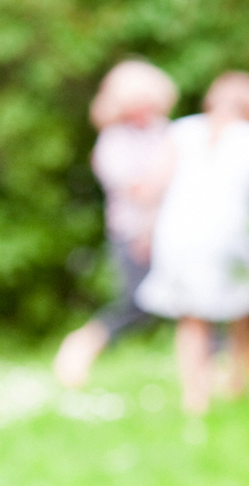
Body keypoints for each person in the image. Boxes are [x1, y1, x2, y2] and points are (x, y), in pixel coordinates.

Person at [137, 71, 249, 414]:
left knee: (191, 318)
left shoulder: (182, 130)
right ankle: (235, 382)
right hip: (229, 235)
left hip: (178, 234)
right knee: (242, 308)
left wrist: (144, 229)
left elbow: (154, 185)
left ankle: (194, 397)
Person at [54, 60, 179, 387]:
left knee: (193, 300)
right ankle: (82, 346)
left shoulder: (163, 131)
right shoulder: (113, 142)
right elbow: (141, 191)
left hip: (171, 232)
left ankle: (214, 372)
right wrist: (166, 172)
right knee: (136, 306)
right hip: (133, 234)